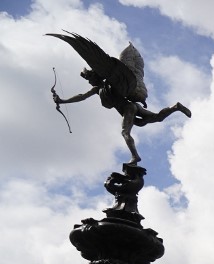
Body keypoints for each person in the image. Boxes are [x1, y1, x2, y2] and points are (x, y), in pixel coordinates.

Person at [49, 32, 192, 165]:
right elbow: (81, 97)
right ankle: (175, 107)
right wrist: (63, 100)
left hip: (128, 108)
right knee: (153, 119)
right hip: (132, 107)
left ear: (95, 77)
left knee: (125, 132)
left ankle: (135, 156)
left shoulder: (105, 85)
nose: (90, 82)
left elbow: (82, 97)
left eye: (90, 79)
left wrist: (63, 101)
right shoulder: (100, 88)